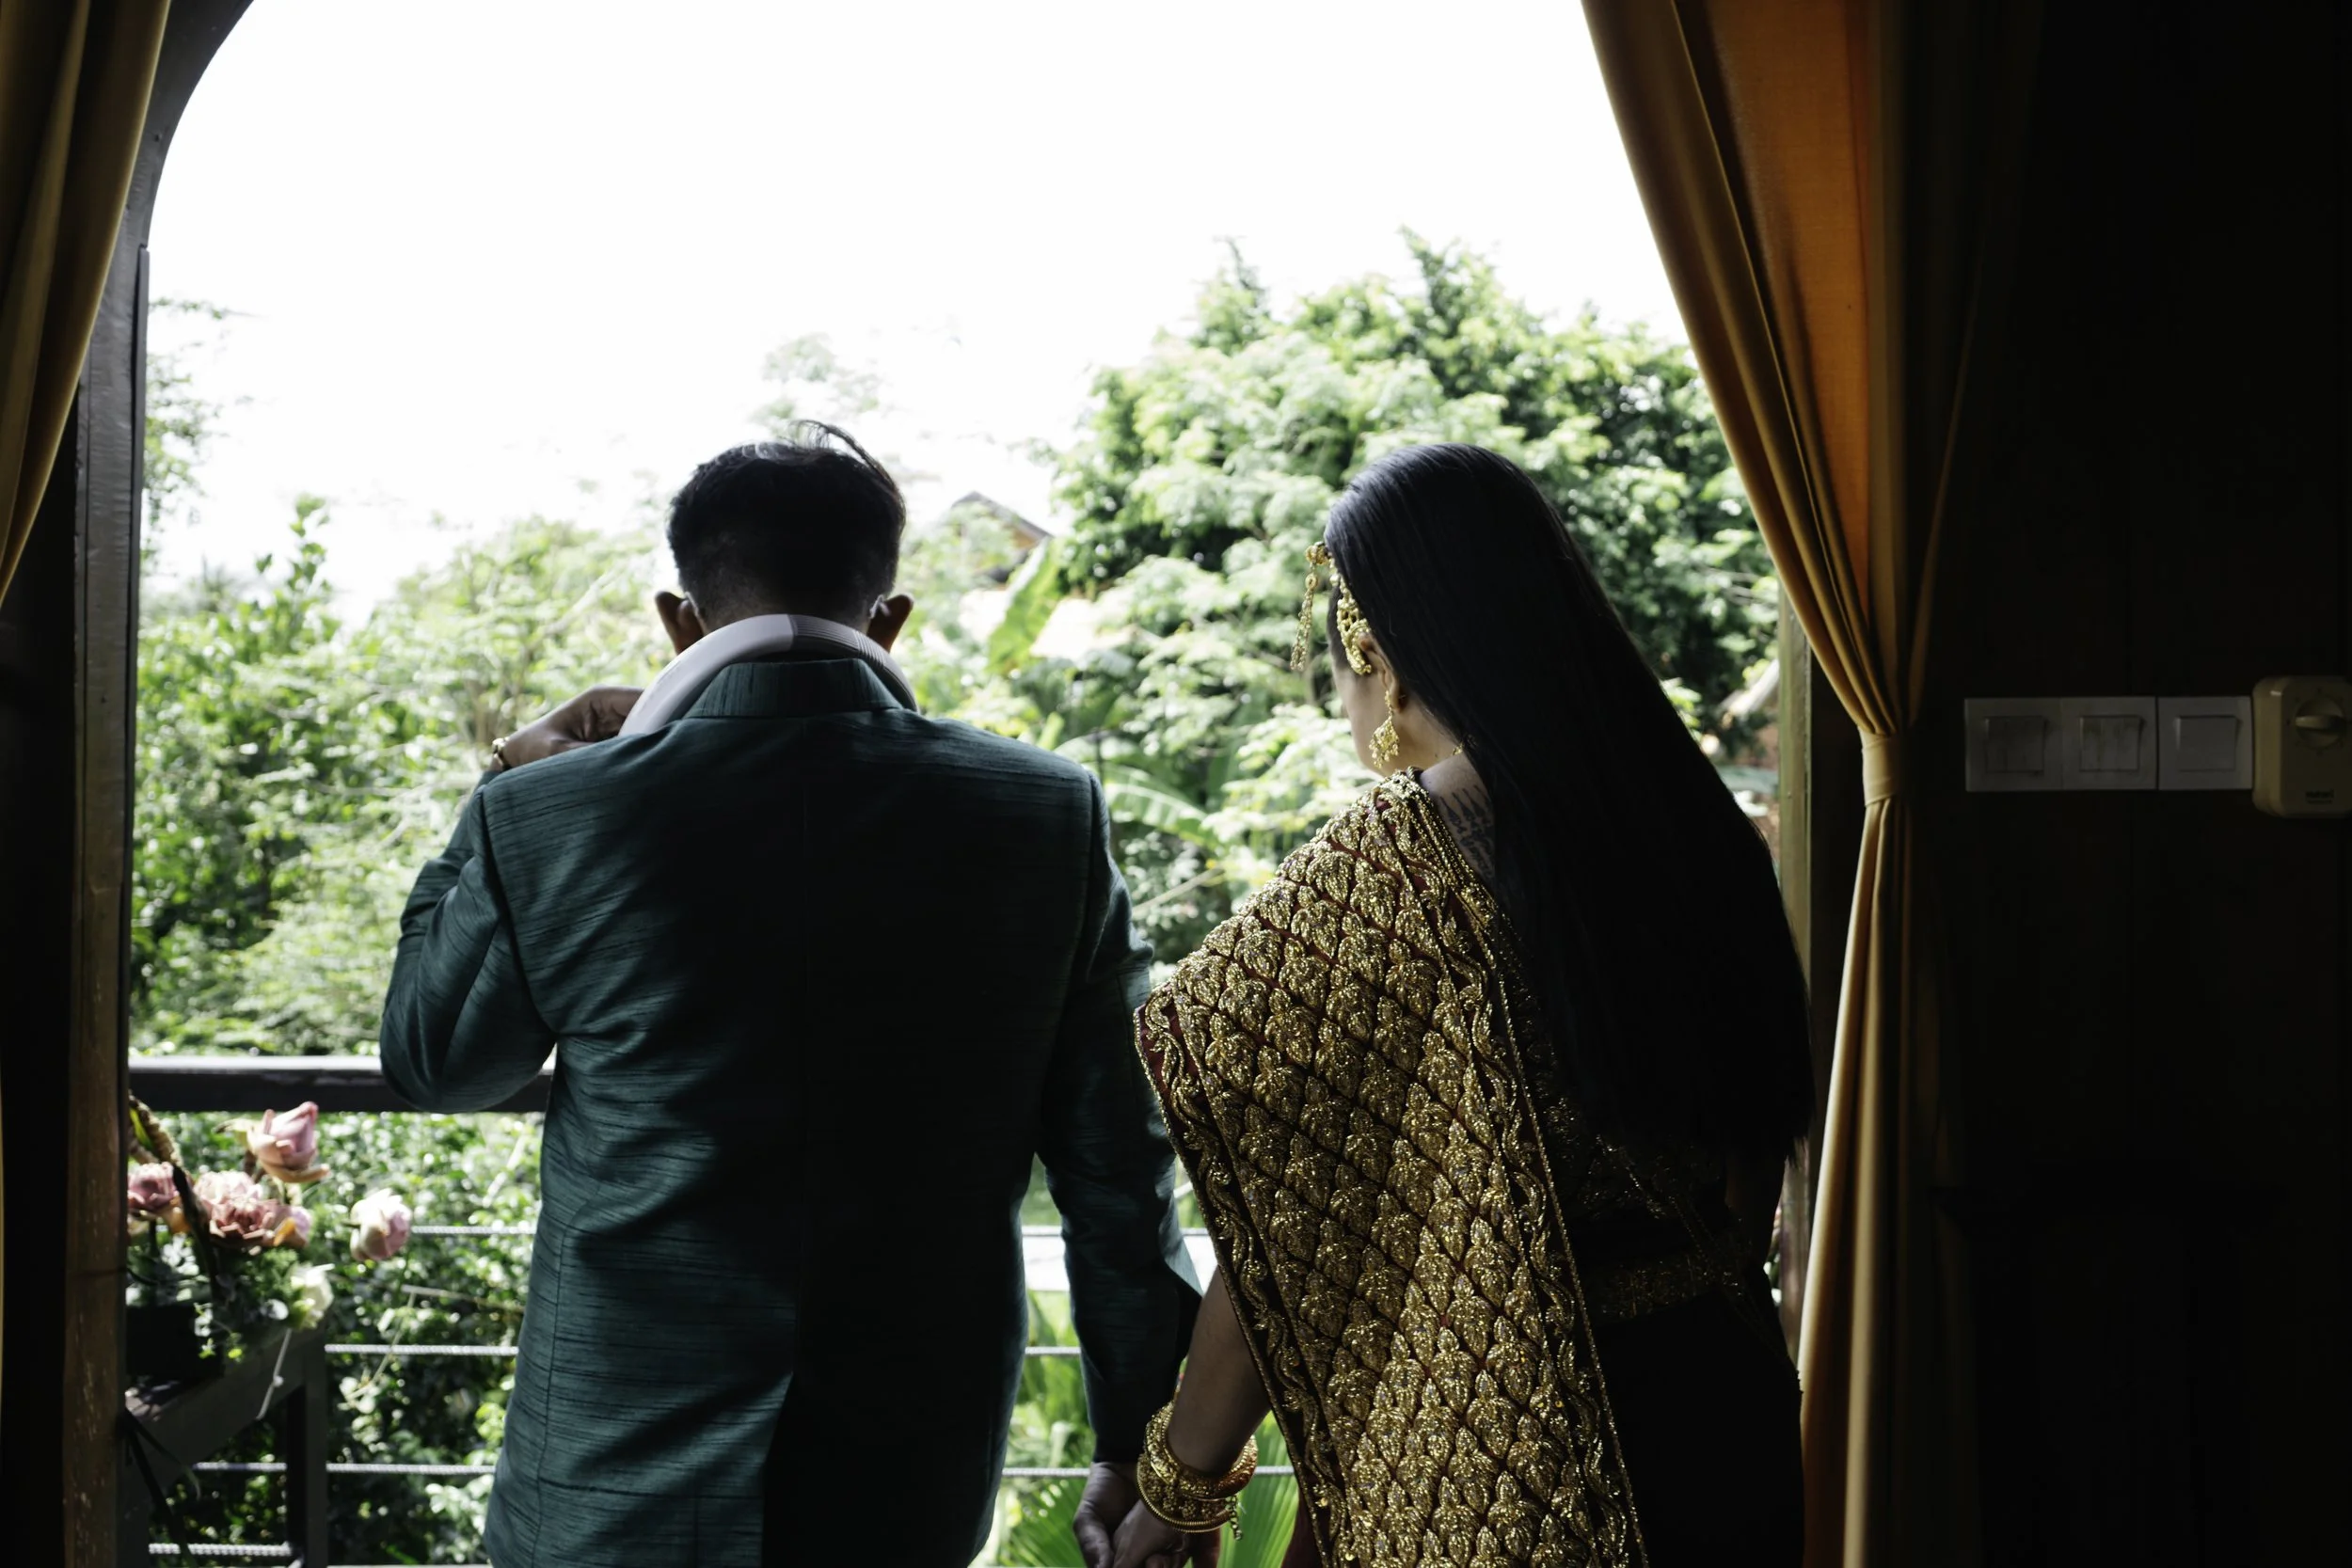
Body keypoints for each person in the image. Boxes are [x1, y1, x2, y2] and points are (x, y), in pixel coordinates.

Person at [380, 425, 1200, 1568]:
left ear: (680, 617)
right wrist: (1135, 1444)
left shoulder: (553, 814)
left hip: (606, 1482)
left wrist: (503, 783)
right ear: (889, 616)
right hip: (902, 1483)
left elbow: (433, 1059)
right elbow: (1118, 1173)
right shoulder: (1043, 812)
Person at [1099, 444, 1812, 1568]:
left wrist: (1180, 1489)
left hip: (1503, 1453)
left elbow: (1270, 1237)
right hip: (1725, 1419)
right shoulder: (1698, 828)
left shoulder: (1377, 881)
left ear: (1374, 642)